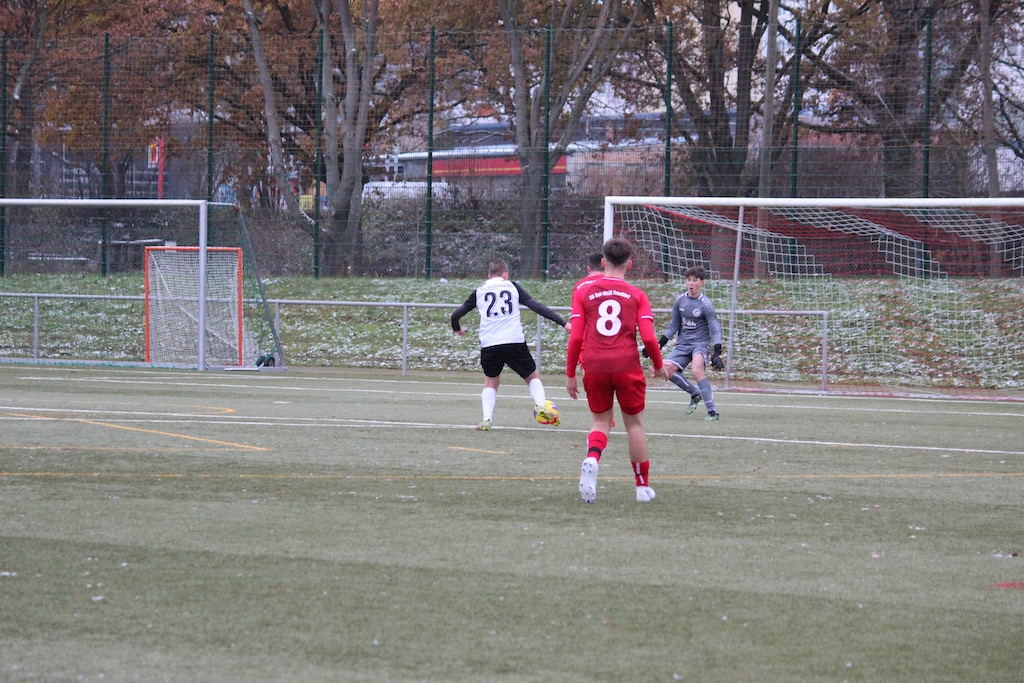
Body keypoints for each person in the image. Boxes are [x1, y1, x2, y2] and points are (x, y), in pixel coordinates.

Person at [565, 238, 668, 503]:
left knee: (601, 421)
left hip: (594, 364)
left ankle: (592, 458)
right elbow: (649, 338)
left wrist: (570, 373)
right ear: (629, 264)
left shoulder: (584, 292)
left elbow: (575, 338)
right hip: (626, 365)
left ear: (603, 262)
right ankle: (642, 488)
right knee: (634, 425)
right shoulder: (637, 295)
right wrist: (658, 365)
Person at [451, 258, 570, 431]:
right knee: (532, 377)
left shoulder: (479, 291)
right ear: (506, 275)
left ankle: (486, 420)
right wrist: (563, 323)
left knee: (491, 383)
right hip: (514, 340)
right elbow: (536, 306)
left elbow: (456, 315)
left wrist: (457, 329)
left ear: (489, 275)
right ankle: (540, 405)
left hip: (489, 343)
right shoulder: (512, 286)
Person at [650, 265, 724, 421]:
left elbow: (715, 327)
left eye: (695, 280)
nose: (691, 283)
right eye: (689, 280)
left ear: (701, 283)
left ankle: (712, 411)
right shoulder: (680, 300)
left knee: (697, 370)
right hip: (683, 344)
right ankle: (694, 393)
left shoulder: (705, 304)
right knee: (666, 369)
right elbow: (674, 325)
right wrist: (660, 344)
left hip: (700, 344)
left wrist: (717, 351)